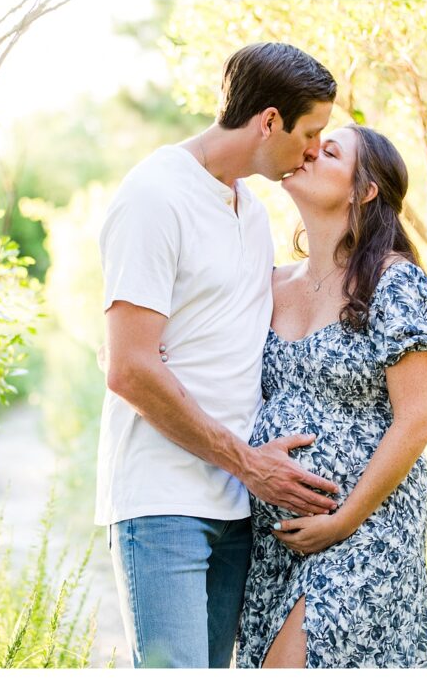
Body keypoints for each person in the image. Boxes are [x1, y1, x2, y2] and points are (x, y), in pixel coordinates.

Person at [95, 43, 339, 669]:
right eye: (311, 133)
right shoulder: (155, 194)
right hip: (164, 498)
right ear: (269, 121)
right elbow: (128, 367)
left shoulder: (252, 212)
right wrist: (249, 464)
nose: (314, 151)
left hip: (238, 509)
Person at [234, 124, 427, 668]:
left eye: (328, 152)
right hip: (278, 541)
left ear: (365, 190)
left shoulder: (394, 283)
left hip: (366, 527)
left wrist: (344, 520)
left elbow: (418, 421)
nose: (309, 152)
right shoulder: (270, 282)